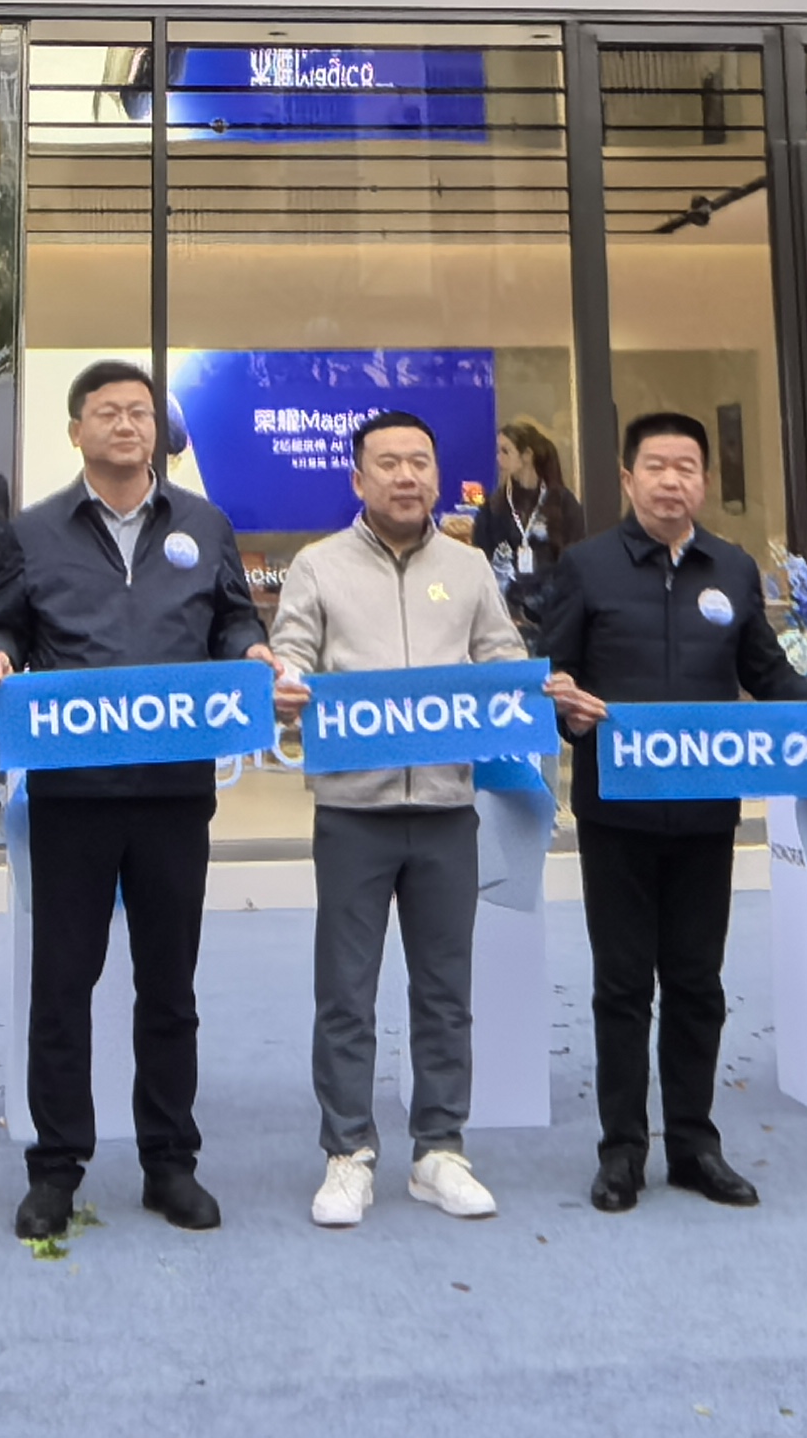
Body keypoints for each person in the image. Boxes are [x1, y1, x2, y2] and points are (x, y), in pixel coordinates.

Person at [0, 358, 260, 1241]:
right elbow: (1, 620)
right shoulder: (32, 532)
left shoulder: (205, 523)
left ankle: (170, 1161)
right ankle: (56, 1168)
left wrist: (249, 652)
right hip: (73, 792)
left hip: (175, 790)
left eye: (140, 411)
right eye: (108, 411)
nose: (127, 424)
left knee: (169, 988)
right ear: (77, 431)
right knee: (63, 987)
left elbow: (234, 618)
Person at [533, 410, 807, 1213]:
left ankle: (696, 1144)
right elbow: (552, 676)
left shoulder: (731, 568)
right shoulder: (586, 566)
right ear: (627, 478)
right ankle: (622, 1151)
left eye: (687, 467)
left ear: (704, 480)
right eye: (656, 467)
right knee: (623, 985)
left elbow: (766, 672)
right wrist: (564, 707)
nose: (671, 481)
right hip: (617, 813)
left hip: (705, 813)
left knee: (698, 982)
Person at [267, 408, 523, 1228]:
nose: (406, 476)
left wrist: (530, 686)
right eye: (388, 463)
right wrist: (284, 685)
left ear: (437, 477)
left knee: (445, 989)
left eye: (420, 461)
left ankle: (440, 1149)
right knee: (346, 991)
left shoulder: (470, 567)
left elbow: (503, 660)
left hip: (447, 808)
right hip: (354, 810)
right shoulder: (318, 566)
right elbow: (292, 653)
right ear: (358, 478)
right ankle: (348, 1152)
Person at [478, 421, 584, 619]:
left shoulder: (562, 503)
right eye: (498, 451)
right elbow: (481, 557)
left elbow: (576, 559)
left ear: (527, 455)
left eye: (505, 451)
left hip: (554, 610)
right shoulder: (494, 506)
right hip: (505, 610)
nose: (498, 459)